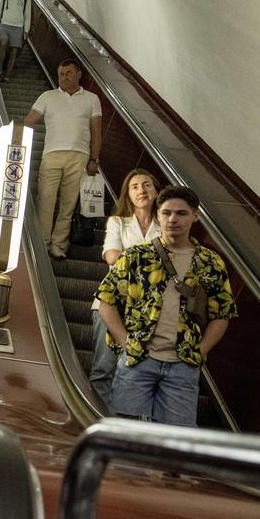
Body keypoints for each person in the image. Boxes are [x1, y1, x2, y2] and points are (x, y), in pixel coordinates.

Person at [96, 186, 236, 426]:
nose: (173, 219)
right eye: (166, 213)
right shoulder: (136, 256)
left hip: (183, 365)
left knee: (175, 443)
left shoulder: (210, 262)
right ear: (158, 216)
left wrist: (201, 350)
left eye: (181, 213)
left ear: (195, 216)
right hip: (138, 360)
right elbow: (105, 301)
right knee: (126, 436)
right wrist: (124, 341)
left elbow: (222, 313)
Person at [88, 169, 161, 401]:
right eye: (135, 186)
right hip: (112, 304)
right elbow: (111, 256)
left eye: (147, 185)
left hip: (150, 311)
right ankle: (98, 423)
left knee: (138, 373)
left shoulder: (166, 226)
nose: (142, 190)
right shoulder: (118, 222)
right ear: (127, 195)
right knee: (104, 369)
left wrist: (129, 259)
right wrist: (153, 264)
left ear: (156, 190)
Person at [23, 59, 103, 260]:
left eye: (68, 73)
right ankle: (42, 244)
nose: (64, 77)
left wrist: (94, 159)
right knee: (46, 200)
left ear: (78, 74)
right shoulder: (47, 96)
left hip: (80, 156)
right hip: (51, 154)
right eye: (61, 74)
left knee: (68, 204)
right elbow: (29, 121)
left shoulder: (92, 99)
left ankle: (58, 245)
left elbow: (96, 130)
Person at [0, 0, 33, 83]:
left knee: (14, 51)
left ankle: (7, 75)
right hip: (4, 25)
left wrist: (26, 30)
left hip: (18, 27)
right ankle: (0, 69)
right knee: (3, 42)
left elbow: (27, 15)